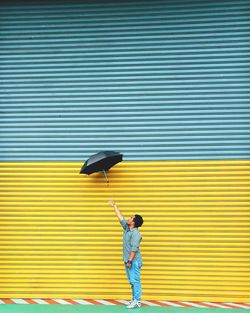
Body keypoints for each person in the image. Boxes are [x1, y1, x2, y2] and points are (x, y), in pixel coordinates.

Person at [109, 199, 144, 309]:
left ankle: (137, 301)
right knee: (131, 281)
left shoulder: (136, 234)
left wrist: (129, 261)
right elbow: (121, 218)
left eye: (131, 218)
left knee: (135, 280)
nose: (128, 218)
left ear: (133, 222)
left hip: (133, 261)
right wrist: (114, 206)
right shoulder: (127, 229)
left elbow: (134, 249)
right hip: (128, 260)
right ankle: (133, 299)